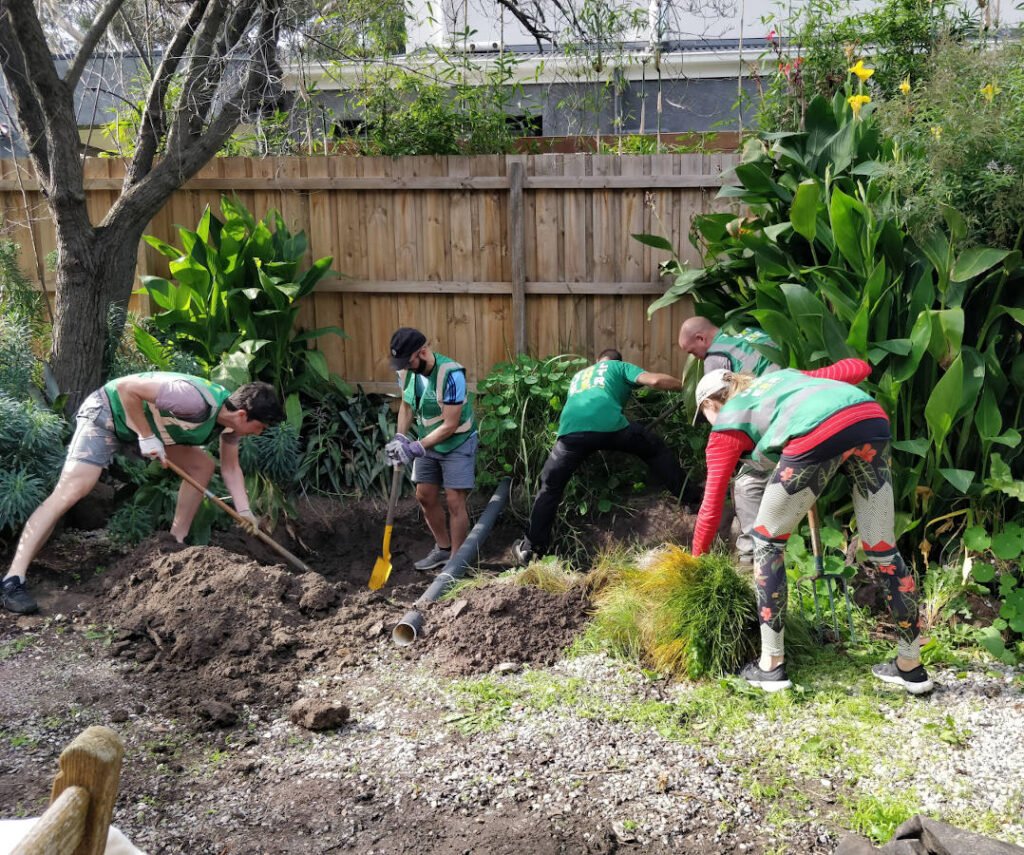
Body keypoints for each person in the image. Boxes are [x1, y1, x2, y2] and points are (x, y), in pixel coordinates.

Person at [690, 359, 932, 695]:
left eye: (705, 416)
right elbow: (858, 368)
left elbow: (711, 505)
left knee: (766, 541)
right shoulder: (783, 380)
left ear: (709, 404)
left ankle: (771, 667)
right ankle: (911, 666)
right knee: (882, 547)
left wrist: (695, 559)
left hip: (819, 432)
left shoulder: (726, 426)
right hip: (869, 418)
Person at [1, 373, 284, 615]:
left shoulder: (229, 425)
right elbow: (127, 390)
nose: (258, 434)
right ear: (243, 415)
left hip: (143, 430)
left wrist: (244, 510)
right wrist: (146, 436)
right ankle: (13, 581)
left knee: (202, 465)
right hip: (108, 415)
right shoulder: (194, 400)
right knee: (74, 489)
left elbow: (230, 468)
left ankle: (176, 544)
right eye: (259, 428)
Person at [512, 348, 696, 564]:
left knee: (550, 486)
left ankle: (531, 549)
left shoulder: (579, 376)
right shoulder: (619, 367)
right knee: (654, 448)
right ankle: (693, 499)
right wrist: (689, 388)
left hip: (571, 434)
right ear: (617, 361)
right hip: (612, 428)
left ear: (597, 360)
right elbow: (654, 381)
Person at [678, 316, 781, 565]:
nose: (699, 359)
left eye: (695, 352)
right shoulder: (747, 333)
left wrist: (695, 561)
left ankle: (751, 565)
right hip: (793, 409)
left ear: (701, 338)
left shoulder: (716, 357)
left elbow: (728, 415)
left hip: (774, 427)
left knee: (746, 485)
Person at [384, 328, 478, 571]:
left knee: (455, 500)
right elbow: (406, 405)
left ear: (423, 352)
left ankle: (456, 562)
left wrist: (415, 447)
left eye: (408, 360)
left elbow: (450, 424)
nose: (404, 366)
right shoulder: (406, 372)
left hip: (457, 441)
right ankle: (443, 549)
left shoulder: (451, 374)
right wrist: (400, 438)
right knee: (424, 495)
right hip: (428, 441)